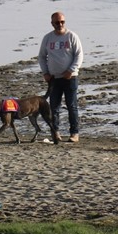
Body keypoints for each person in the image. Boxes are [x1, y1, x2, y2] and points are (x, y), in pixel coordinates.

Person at [38, 10, 83, 143]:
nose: (60, 24)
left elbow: (79, 55)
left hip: (70, 77)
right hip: (54, 78)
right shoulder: (48, 38)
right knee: (54, 107)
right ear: (52, 23)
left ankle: (74, 133)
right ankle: (55, 132)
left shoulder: (72, 36)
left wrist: (71, 70)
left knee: (72, 106)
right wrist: (45, 72)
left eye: (62, 22)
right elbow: (42, 56)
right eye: (57, 22)